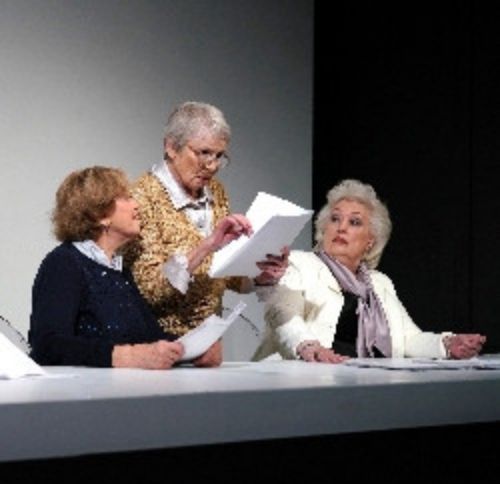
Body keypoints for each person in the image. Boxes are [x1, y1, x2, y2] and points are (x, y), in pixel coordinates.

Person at [126, 101, 288, 366]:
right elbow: (150, 289)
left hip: (206, 351)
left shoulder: (215, 193)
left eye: (219, 156)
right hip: (156, 349)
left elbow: (221, 274)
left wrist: (261, 274)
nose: (211, 166)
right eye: (203, 153)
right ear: (171, 147)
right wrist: (207, 245)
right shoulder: (141, 198)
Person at [253, 179, 486, 362]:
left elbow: (407, 339)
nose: (341, 227)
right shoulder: (299, 263)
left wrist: (448, 344)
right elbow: (281, 313)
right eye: (335, 219)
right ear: (323, 229)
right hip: (305, 379)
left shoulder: (379, 282)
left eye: (354, 222)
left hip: (365, 381)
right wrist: (307, 347)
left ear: (370, 241)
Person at [29, 166, 193, 369]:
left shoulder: (119, 271)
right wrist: (125, 356)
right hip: (85, 388)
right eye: (126, 198)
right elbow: (47, 345)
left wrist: (191, 349)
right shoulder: (64, 263)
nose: (137, 205)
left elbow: (151, 336)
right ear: (100, 214)